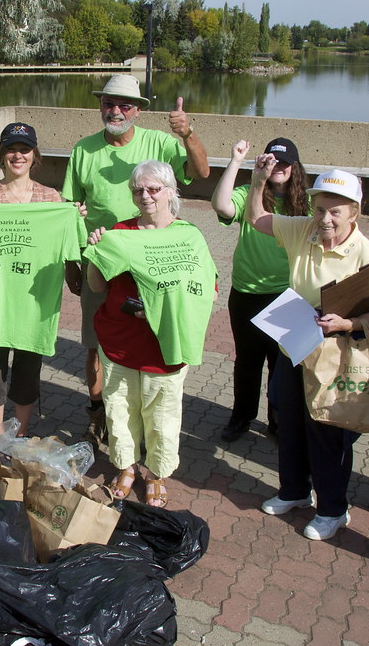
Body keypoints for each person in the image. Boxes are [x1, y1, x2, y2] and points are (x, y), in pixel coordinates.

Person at [63, 74, 210, 452]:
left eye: (125, 105)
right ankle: (99, 415)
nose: (116, 111)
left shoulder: (160, 143)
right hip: (103, 265)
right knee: (97, 346)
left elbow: (201, 173)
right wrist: (72, 263)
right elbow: (69, 211)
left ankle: (145, 424)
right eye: (109, 103)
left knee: (154, 341)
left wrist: (188, 133)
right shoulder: (83, 150)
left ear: (139, 110)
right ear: (100, 105)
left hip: (157, 266)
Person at [247, 167, 369, 540]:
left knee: (326, 432)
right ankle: (294, 491)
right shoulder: (302, 229)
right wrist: (259, 182)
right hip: (294, 345)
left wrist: (345, 324)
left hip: (334, 354)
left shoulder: (366, 253)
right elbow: (257, 218)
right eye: (320, 208)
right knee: (290, 422)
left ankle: (332, 509)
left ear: (354, 212)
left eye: (335, 212)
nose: (325, 219)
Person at [83, 160, 217, 508]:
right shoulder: (121, 231)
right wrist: (96, 253)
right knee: (120, 410)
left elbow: (209, 290)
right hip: (120, 340)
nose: (145, 196)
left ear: (171, 192)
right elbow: (98, 286)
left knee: (162, 417)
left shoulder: (188, 236)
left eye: (154, 189)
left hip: (165, 346)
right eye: (138, 190)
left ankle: (156, 474)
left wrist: (166, 301)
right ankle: (126, 468)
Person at [0, 122, 65, 435]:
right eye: (11, 149)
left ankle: (20, 433)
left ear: (34, 154)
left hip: (33, 302)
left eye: (25, 149)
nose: (18, 155)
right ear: (1, 154)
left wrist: (73, 219)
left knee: (27, 367)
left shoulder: (52, 200)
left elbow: (62, 245)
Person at [212, 137, 309, 442]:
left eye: (284, 163)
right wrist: (238, 162)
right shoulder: (249, 193)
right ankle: (242, 416)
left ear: (294, 167)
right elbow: (221, 205)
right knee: (247, 361)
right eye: (272, 162)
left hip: (286, 294)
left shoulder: (305, 201)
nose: (277, 168)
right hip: (246, 293)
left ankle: (279, 419)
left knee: (282, 363)